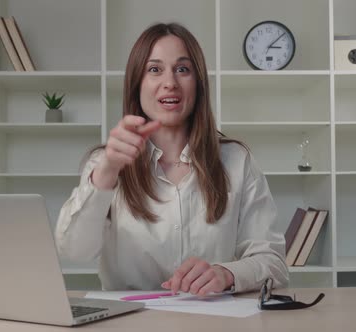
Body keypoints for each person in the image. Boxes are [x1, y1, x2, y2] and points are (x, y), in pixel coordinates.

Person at [55, 22, 288, 295]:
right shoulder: (104, 163)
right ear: (136, 84)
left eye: (182, 69)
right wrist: (106, 172)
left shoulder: (237, 160)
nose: (170, 83)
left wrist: (227, 274)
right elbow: (75, 250)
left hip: (211, 319)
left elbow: (274, 263)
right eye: (154, 69)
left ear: (198, 83)